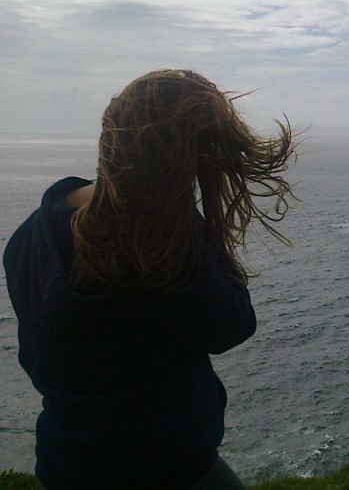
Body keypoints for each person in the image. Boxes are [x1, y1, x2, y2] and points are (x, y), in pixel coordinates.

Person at [4, 69, 297, 489]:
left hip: (67, 462)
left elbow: (32, 356)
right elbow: (232, 324)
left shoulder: (32, 235)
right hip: (169, 467)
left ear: (114, 137)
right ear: (181, 160)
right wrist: (197, 225)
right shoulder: (167, 252)